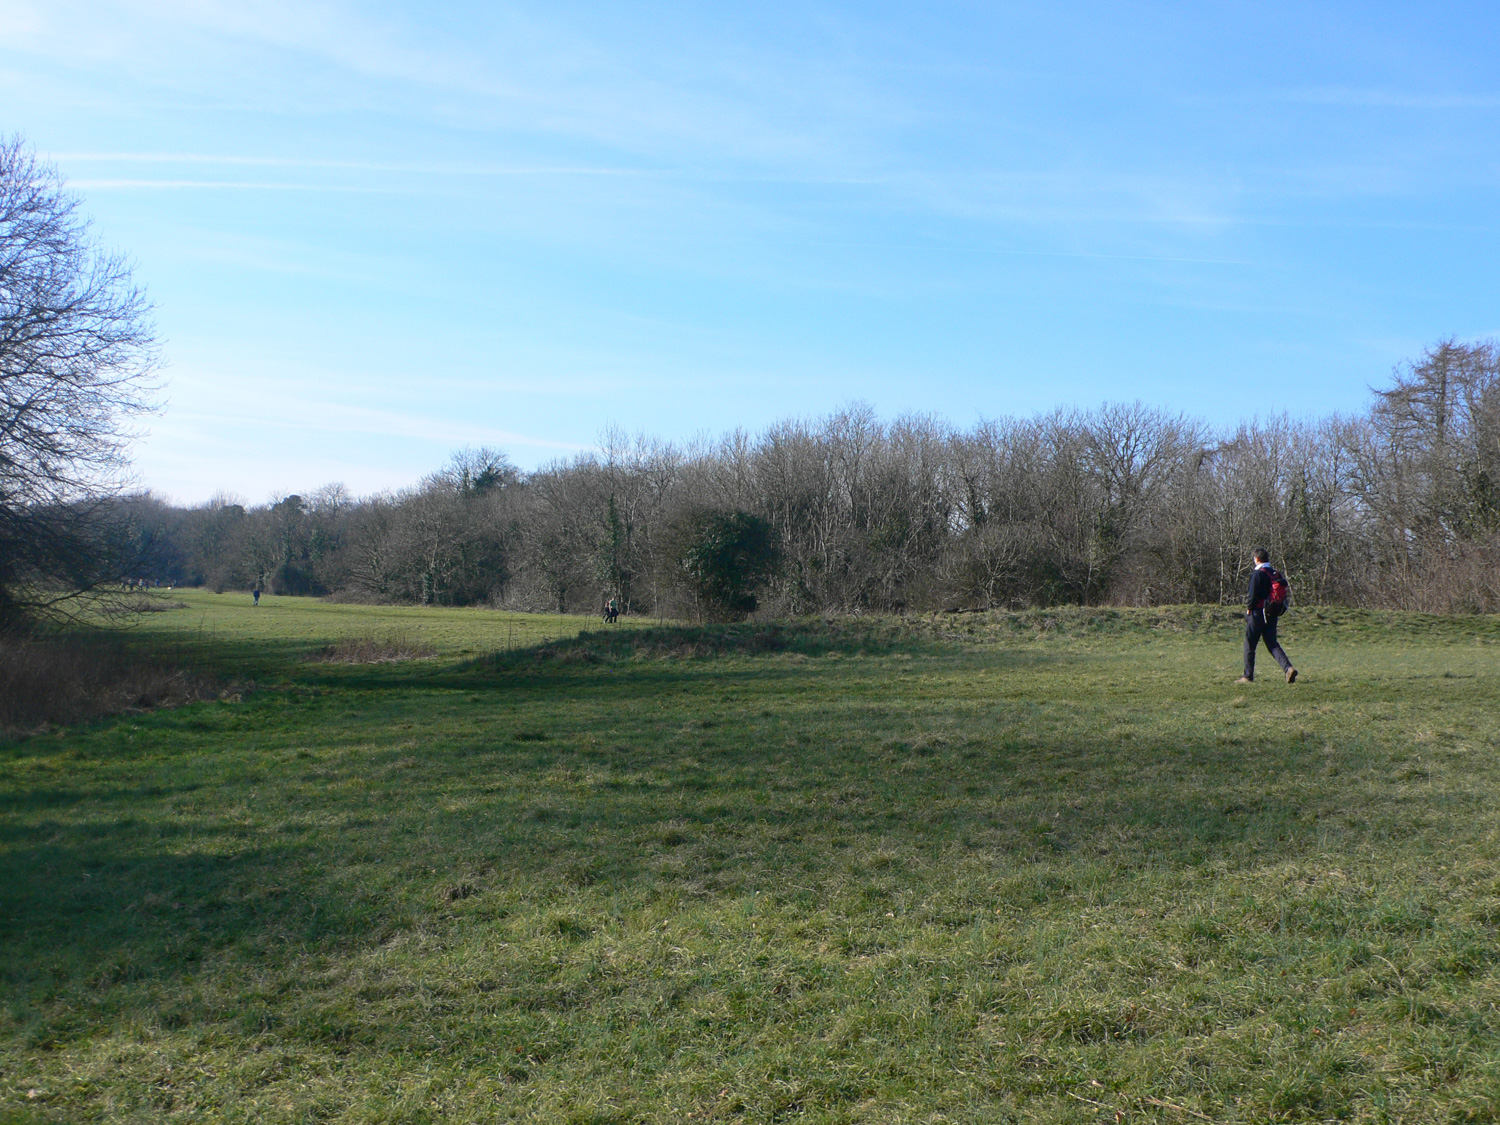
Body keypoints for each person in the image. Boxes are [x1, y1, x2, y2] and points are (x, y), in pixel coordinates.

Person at [1237, 548, 1296, 684]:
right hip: (1272, 613)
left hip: (1258, 613)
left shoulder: (1258, 573)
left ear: (1257, 559)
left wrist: (1249, 609)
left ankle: (1247, 676)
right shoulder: (1275, 573)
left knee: (1250, 644)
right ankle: (1288, 668)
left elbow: (1252, 596)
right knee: (1272, 644)